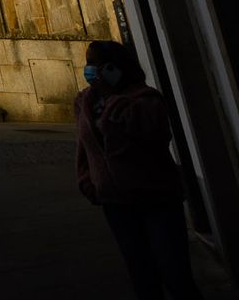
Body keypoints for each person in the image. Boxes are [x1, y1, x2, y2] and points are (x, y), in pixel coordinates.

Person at [75, 39, 203, 299]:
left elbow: (155, 136)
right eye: (87, 63)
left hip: (155, 197)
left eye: (95, 64)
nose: (89, 69)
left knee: (175, 274)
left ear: (114, 68)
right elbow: (85, 146)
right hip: (115, 201)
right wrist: (86, 179)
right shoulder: (84, 102)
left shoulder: (145, 99)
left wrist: (112, 98)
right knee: (141, 275)